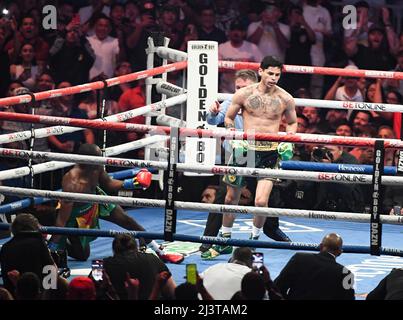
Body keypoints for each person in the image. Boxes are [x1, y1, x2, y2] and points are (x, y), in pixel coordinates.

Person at [202, 56, 297, 260]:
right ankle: (225, 241)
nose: (273, 78)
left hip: (270, 151)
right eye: (270, 73)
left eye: (277, 74)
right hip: (244, 149)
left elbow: (292, 122)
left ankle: (252, 242)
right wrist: (233, 135)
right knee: (230, 197)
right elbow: (227, 117)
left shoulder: (285, 98)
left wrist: (289, 140)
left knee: (261, 201)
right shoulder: (243, 94)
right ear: (260, 71)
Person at [47, 143, 184, 265]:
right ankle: (49, 242)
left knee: (128, 221)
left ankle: (159, 251)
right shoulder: (72, 183)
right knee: (82, 255)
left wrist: (133, 183)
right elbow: (62, 219)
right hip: (77, 214)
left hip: (97, 199)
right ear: (87, 162)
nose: (101, 162)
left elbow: (109, 184)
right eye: (97, 160)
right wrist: (52, 246)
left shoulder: (96, 166)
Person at [274, 233, 355, 300]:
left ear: (320, 246)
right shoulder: (345, 273)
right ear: (340, 252)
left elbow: (277, 287)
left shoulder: (299, 258)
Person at [103, 234, 176, 300]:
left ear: (114, 250)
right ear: (136, 247)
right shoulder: (152, 258)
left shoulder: (106, 264)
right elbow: (172, 290)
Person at [0, 214, 55, 296]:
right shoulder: (39, 243)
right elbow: (50, 269)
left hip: (13, 294)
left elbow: (6, 275)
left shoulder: (6, 247)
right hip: (35, 293)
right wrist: (49, 294)